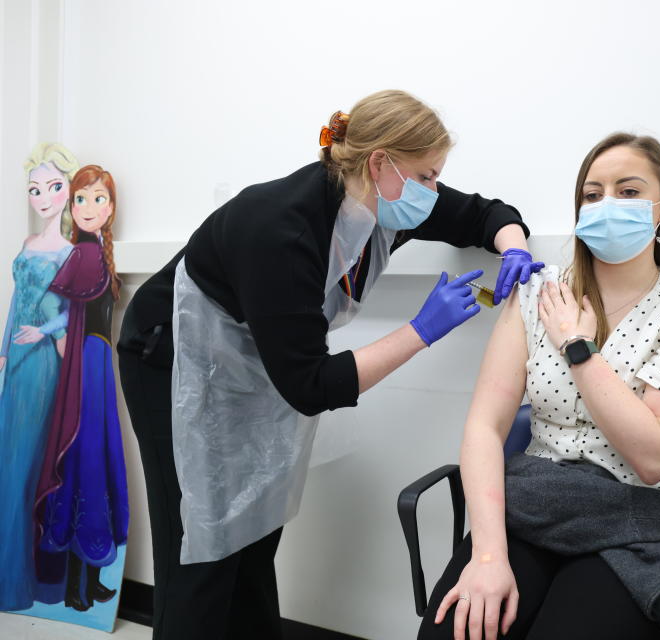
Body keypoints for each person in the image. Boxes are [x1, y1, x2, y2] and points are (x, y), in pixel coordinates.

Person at [116, 89, 543, 640]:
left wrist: (515, 247)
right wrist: (420, 331)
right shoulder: (282, 227)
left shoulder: (383, 205)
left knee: (253, 528)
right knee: (199, 543)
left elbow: (484, 214)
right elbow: (312, 386)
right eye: (427, 176)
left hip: (255, 358)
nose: (434, 192)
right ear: (379, 162)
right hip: (171, 356)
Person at [419, 133, 660, 640]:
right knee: (454, 631)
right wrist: (487, 556)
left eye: (629, 191)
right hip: (538, 504)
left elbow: (655, 457)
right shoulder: (536, 292)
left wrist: (577, 346)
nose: (607, 204)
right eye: (593, 195)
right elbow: (485, 426)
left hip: (640, 519)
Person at [34, 165, 129, 612]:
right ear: (71, 207)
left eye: (98, 198)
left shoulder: (98, 255)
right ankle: (76, 585)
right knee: (85, 459)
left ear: (110, 207)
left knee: (94, 459)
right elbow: (59, 311)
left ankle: (91, 580)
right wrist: (52, 337)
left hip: (99, 363)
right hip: (86, 364)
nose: (90, 207)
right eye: (81, 199)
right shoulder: (81, 257)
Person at [0, 143, 78, 611]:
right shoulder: (28, 246)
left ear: (66, 190)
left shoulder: (71, 252)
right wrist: (6, 346)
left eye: (51, 187)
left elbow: (71, 315)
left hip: (44, 360)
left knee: (26, 463)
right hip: (16, 359)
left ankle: (18, 578)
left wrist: (40, 332)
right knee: (6, 457)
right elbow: (15, 303)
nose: (43, 197)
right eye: (35, 189)